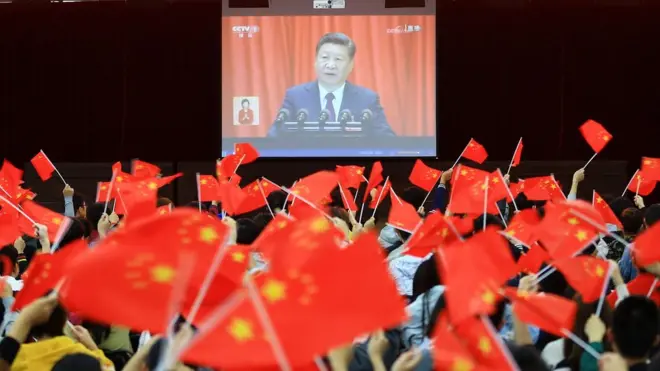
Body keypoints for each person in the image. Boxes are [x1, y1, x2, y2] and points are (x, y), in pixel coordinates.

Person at [267, 32, 395, 137]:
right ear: (315, 61)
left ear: (351, 65)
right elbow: (274, 137)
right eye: (324, 57)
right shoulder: (295, 96)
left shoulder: (367, 99)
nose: (330, 65)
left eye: (338, 59)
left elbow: (387, 140)